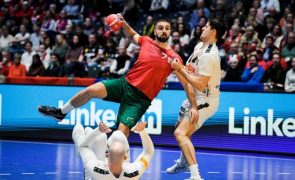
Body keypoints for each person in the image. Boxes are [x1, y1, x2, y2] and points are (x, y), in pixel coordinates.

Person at [38, 14, 183, 137]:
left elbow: (186, 81)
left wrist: (194, 106)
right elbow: (132, 35)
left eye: (167, 28)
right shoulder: (146, 41)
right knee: (90, 90)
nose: (164, 31)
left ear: (170, 32)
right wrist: (124, 23)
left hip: (140, 99)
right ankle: (61, 112)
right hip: (124, 84)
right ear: (155, 31)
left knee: (121, 132)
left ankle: (115, 159)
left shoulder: (174, 57)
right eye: (160, 28)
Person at [166, 18, 227, 180]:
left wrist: (180, 70)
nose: (202, 28)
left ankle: (195, 176)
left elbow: (200, 84)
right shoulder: (199, 46)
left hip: (205, 100)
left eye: (206, 27)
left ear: (213, 32)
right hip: (194, 95)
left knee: (180, 133)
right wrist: (177, 68)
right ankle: (183, 162)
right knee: (180, 126)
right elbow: (189, 71)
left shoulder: (210, 56)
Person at [72, 121, 154, 180]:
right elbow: (148, 152)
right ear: (125, 157)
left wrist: (97, 131)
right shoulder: (133, 172)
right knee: (118, 135)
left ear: (106, 156)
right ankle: (91, 145)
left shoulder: (95, 168)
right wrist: (142, 131)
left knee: (99, 137)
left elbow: (82, 146)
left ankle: (81, 155)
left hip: (93, 176)